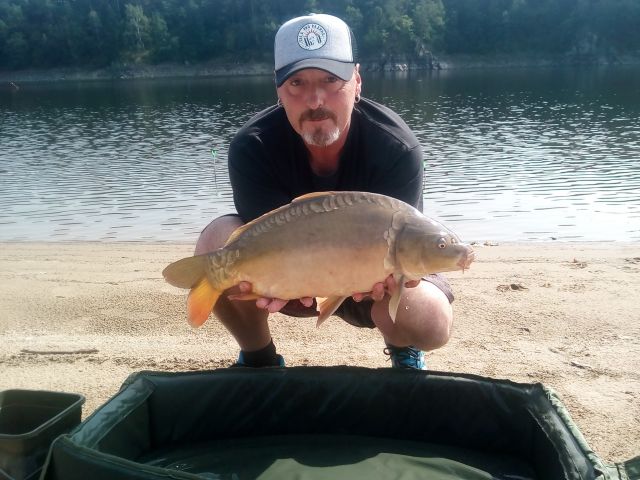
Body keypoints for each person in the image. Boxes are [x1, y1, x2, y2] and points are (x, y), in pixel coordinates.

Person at [195, 13, 454, 369]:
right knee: (216, 247)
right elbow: (263, 239)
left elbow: (407, 252)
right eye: (297, 83)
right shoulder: (251, 147)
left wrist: (387, 279)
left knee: (432, 320)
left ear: (357, 81)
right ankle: (259, 358)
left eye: (331, 80)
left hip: (374, 286)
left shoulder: (398, 148)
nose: (315, 100)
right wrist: (271, 284)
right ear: (278, 89)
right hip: (293, 280)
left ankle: (403, 348)